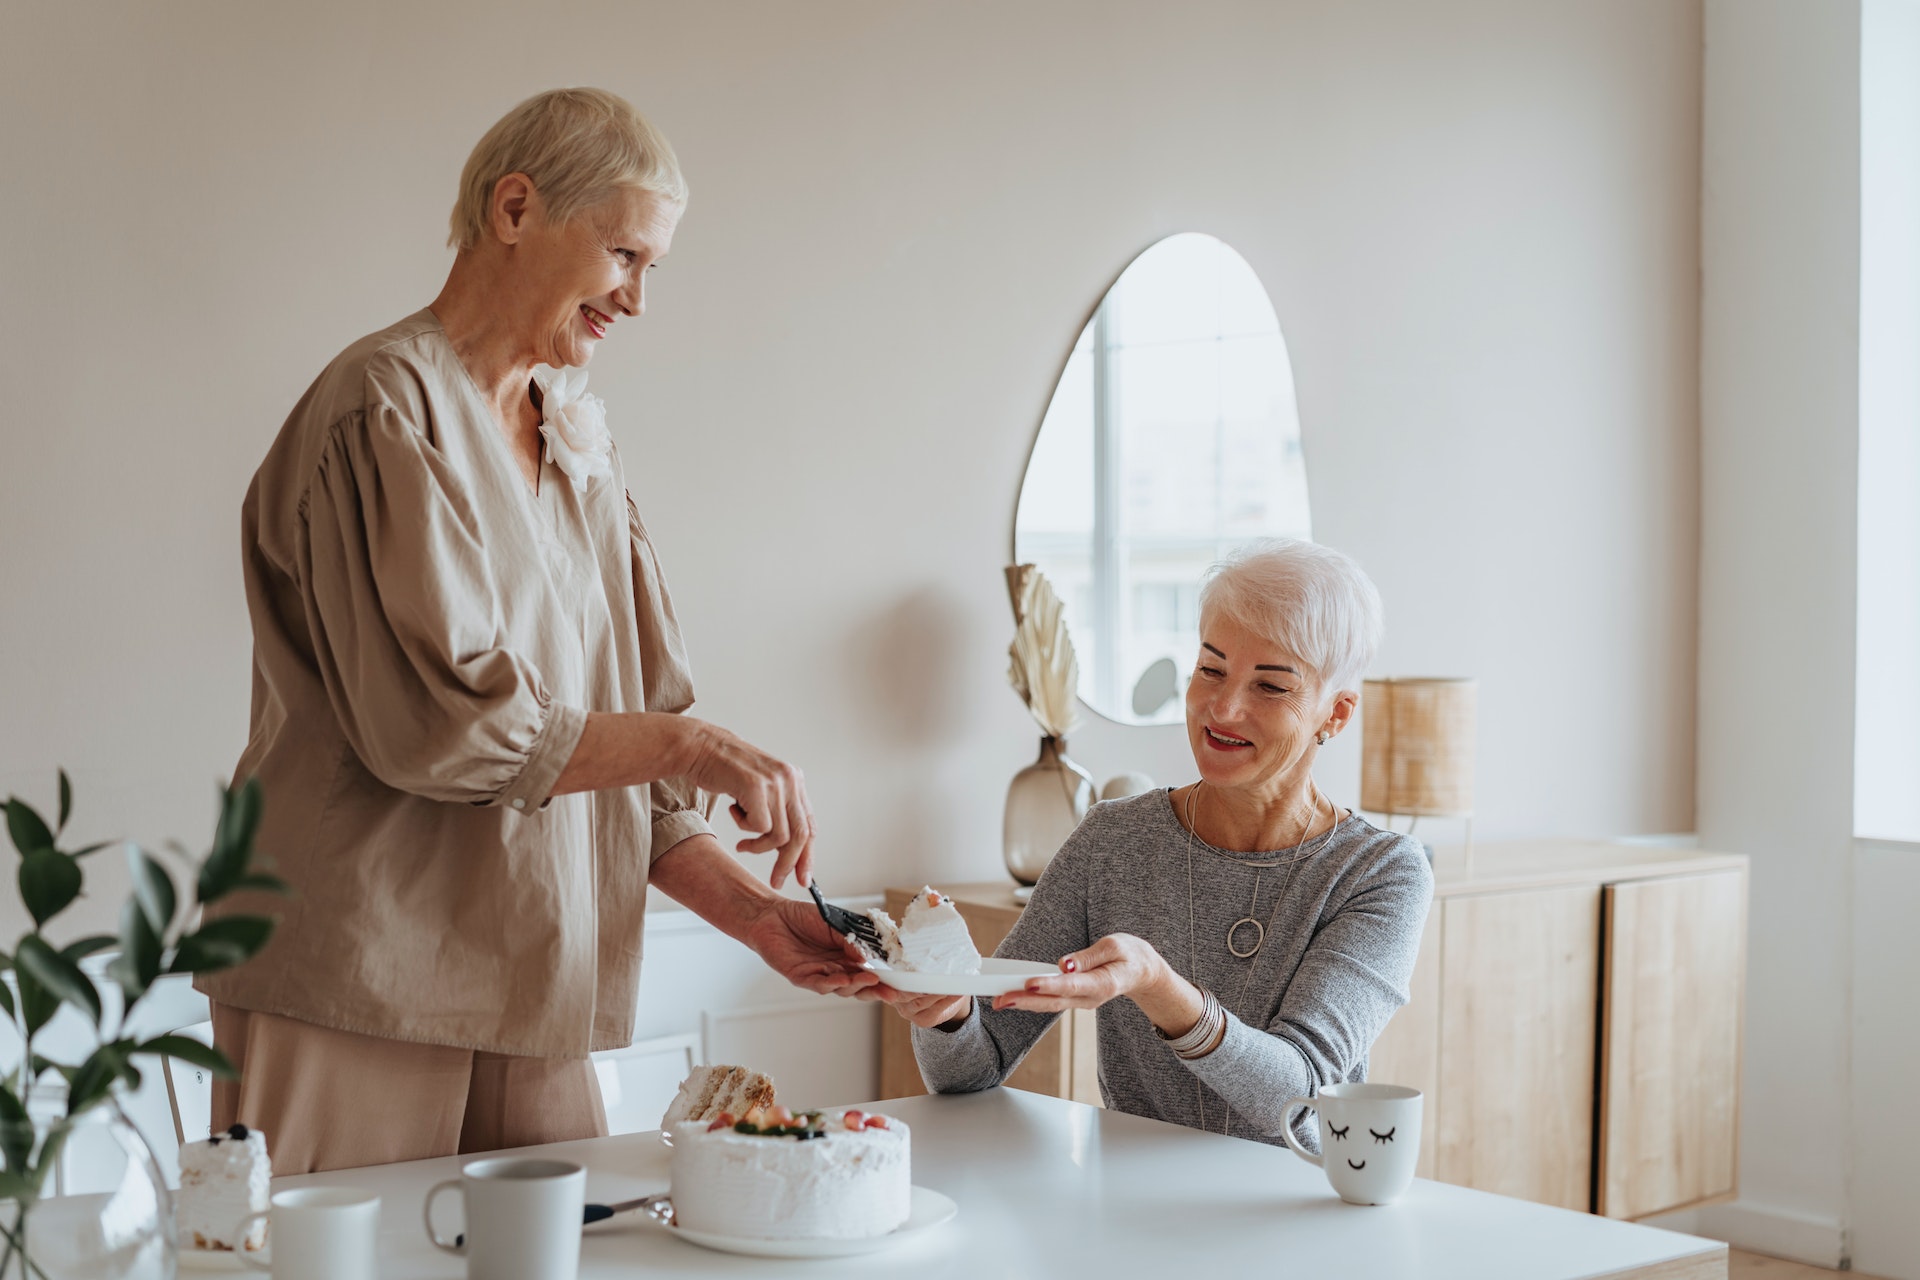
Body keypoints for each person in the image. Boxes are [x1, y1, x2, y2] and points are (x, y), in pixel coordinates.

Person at [200, 88, 877, 1173]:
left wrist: (754, 915)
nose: (640, 299)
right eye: (623, 254)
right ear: (515, 208)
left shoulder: (576, 442)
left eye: (655, 267)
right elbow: (446, 726)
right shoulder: (382, 409)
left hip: (539, 990)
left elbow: (619, 760)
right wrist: (698, 747)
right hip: (358, 979)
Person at [891, 539, 1432, 1148]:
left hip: (1290, 1213)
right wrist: (947, 1012)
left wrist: (1158, 986)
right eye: (1212, 669)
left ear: (1334, 715)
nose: (1224, 708)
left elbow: (1302, 1099)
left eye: (1271, 687)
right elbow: (972, 1070)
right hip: (1128, 1207)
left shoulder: (1378, 872)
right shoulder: (1113, 840)